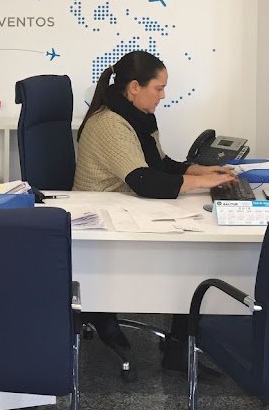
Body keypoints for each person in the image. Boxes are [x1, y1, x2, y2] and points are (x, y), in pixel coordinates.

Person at [73, 49, 235, 378]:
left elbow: (160, 164)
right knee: (191, 252)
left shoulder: (139, 118)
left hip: (125, 208)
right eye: (158, 88)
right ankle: (177, 350)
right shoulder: (110, 124)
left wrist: (202, 171)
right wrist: (202, 183)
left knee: (193, 240)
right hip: (103, 224)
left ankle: (178, 346)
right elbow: (144, 181)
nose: (163, 95)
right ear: (135, 87)